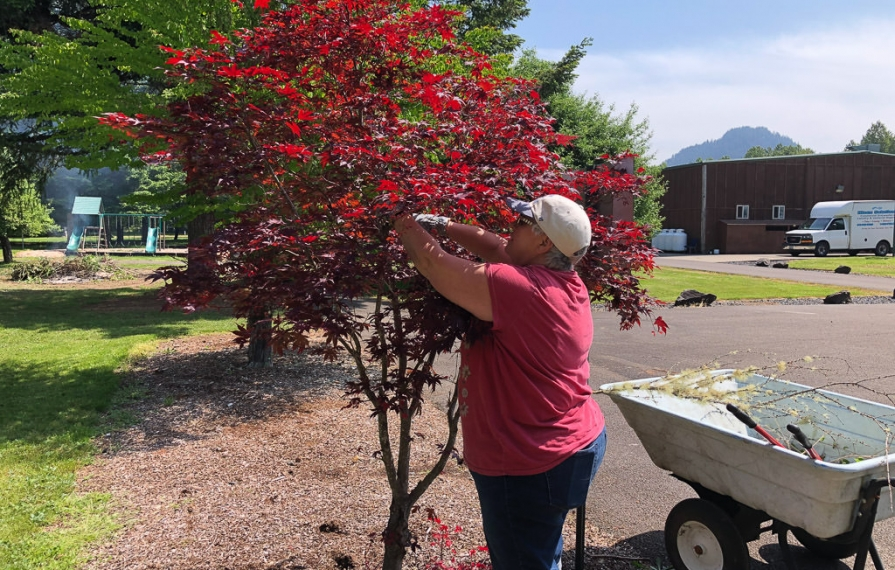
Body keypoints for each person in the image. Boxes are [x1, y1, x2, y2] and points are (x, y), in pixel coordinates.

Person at [394, 194, 607, 570]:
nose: (512, 225)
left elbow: (433, 263)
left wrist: (399, 218)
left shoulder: (519, 289)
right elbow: (494, 245)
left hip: (529, 460)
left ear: (544, 243)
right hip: (575, 440)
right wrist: (439, 224)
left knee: (524, 561)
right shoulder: (565, 281)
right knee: (542, 547)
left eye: (523, 222)